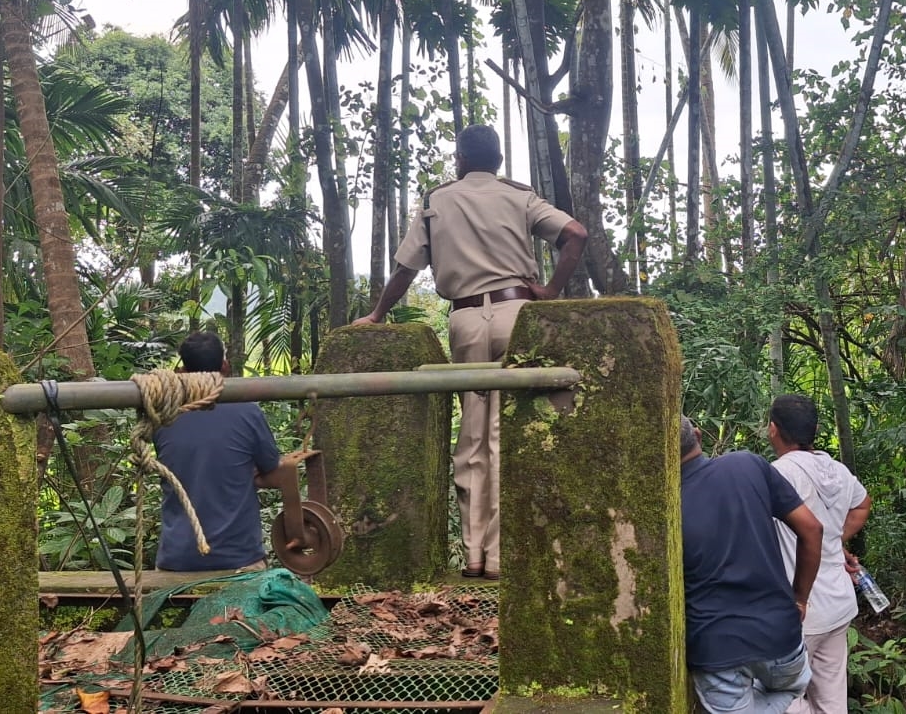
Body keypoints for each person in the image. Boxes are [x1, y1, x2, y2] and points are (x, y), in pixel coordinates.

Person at [355, 123, 588, 580]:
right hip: (516, 313)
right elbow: (575, 234)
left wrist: (378, 314)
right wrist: (550, 291)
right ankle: (499, 557)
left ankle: (473, 555)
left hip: (464, 319)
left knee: (473, 435)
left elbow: (405, 268)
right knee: (503, 432)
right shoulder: (519, 197)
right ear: (498, 161)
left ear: (459, 159)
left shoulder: (438, 200)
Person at [680, 414, 825, 713]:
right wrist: (800, 599)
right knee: (795, 684)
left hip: (716, 650)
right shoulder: (747, 465)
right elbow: (812, 528)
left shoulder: (665, 505)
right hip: (781, 636)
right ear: (698, 434)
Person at [153, 331, 301, 571]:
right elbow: (273, 470)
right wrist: (244, 473)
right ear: (225, 366)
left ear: (181, 370)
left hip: (177, 559)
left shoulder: (162, 414)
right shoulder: (247, 411)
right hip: (239, 560)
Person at [767, 394, 872, 714]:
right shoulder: (836, 468)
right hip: (838, 604)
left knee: (782, 702)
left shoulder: (777, 474)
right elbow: (862, 504)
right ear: (814, 430)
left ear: (773, 429)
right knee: (831, 700)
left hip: (798, 610)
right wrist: (833, 541)